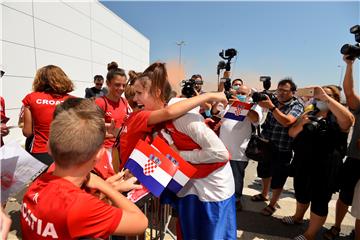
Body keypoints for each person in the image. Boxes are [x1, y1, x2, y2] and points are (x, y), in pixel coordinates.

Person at [20, 100, 148, 239]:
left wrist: (109, 186)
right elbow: (141, 222)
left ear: (49, 146)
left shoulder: (38, 184)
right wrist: (104, 185)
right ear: (99, 154)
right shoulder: (79, 206)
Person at [118, 62, 227, 170]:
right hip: (135, 178)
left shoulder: (137, 118)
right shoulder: (140, 116)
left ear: (157, 92)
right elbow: (169, 112)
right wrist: (209, 96)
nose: (135, 98)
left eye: (139, 93)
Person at [284, 86, 354, 240]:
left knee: (319, 200)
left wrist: (326, 98)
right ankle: (298, 217)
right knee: (301, 193)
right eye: (317, 96)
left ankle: (310, 234)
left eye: (325, 96)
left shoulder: (338, 117)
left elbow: (348, 121)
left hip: (326, 168)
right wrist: (302, 123)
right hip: (303, 163)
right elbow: (291, 133)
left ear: (335, 100)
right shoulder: (310, 111)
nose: (319, 98)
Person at [162, 96, 236, 240]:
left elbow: (220, 154)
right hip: (190, 184)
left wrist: (181, 155)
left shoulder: (187, 120)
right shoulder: (165, 122)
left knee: (213, 233)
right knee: (190, 230)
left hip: (212, 190)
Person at [252, 78, 304, 216]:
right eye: (278, 90)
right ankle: (264, 194)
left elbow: (287, 122)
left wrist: (272, 107)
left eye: (284, 91)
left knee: (278, 178)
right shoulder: (274, 100)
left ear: (293, 92)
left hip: (282, 148)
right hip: (266, 144)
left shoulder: (297, 105)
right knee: (264, 172)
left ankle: (273, 203)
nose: (280, 93)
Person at [324, 55, 360, 240]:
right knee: (345, 196)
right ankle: (337, 226)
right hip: (355, 160)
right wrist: (349, 65)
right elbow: (349, 91)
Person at [218, 83, 263, 211]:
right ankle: (224, 198)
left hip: (238, 152)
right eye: (238, 93)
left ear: (249, 96)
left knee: (236, 177)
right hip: (223, 150)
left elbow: (255, 119)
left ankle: (237, 199)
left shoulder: (254, 107)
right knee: (223, 177)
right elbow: (219, 116)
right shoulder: (230, 105)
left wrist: (241, 105)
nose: (240, 95)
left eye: (243, 94)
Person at [22, 65, 74, 166]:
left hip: (40, 152)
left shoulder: (31, 98)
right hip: (67, 152)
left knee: (43, 182)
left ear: (39, 80)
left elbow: (27, 132)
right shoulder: (73, 100)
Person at [95, 62, 131, 171]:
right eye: (117, 84)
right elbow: (95, 131)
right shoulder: (100, 102)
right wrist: (116, 132)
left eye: (124, 85)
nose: (121, 88)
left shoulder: (125, 102)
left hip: (122, 149)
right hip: (105, 151)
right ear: (108, 83)